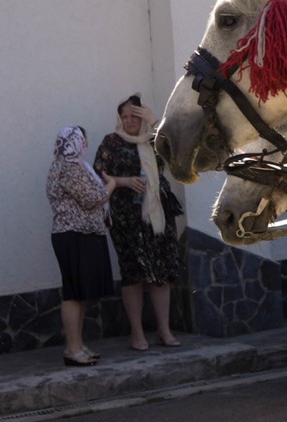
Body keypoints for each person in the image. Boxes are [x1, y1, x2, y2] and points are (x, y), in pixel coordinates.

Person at [95, 95, 185, 351]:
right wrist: (123, 182)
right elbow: (98, 175)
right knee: (133, 273)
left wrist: (155, 122)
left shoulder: (155, 138)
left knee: (162, 272)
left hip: (158, 216)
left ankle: (164, 330)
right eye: (124, 117)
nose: (129, 121)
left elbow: (176, 152)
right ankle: (137, 334)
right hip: (126, 219)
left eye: (134, 116)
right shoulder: (111, 142)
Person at [47, 125, 118, 366]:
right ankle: (72, 348)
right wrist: (112, 185)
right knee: (73, 294)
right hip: (73, 235)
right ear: (75, 142)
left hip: (83, 234)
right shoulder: (68, 167)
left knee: (80, 295)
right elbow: (92, 199)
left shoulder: (74, 166)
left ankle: (78, 345)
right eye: (83, 140)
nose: (85, 145)